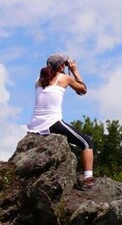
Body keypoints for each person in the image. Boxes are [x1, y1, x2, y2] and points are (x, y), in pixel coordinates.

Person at [27, 54, 95, 188]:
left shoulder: (38, 80)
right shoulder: (64, 78)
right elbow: (83, 90)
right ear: (62, 66)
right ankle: (88, 178)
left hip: (35, 125)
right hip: (53, 123)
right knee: (87, 142)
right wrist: (75, 71)